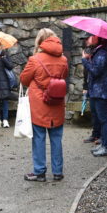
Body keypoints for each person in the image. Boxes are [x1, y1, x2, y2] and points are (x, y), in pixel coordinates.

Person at [20, 28, 68, 182]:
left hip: (39, 105)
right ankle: (58, 172)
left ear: (40, 41)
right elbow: (63, 76)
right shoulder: (63, 60)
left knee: (39, 138)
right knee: (56, 138)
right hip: (57, 103)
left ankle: (39, 172)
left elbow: (24, 80)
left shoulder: (35, 60)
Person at [82, 35, 107, 157]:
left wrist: (85, 60)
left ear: (99, 38)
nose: (90, 37)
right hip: (96, 91)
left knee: (104, 120)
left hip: (101, 91)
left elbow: (96, 71)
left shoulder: (103, 52)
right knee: (100, 119)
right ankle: (103, 144)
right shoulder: (98, 51)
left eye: (93, 36)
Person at [81, 36, 100, 145]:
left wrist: (87, 59)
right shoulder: (87, 49)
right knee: (94, 112)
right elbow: (86, 72)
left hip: (97, 87)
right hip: (90, 86)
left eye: (88, 39)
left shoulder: (98, 52)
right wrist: (85, 86)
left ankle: (100, 136)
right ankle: (95, 134)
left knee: (99, 114)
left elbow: (93, 70)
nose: (87, 41)